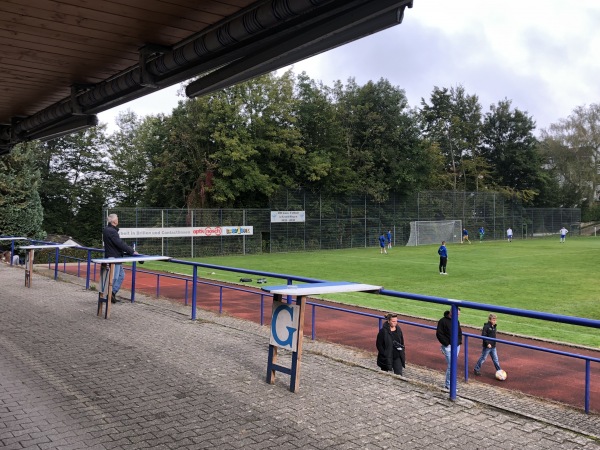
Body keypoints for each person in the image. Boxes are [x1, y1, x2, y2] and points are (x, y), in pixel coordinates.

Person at [103, 213, 139, 303]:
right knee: (114, 277)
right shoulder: (111, 231)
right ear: (114, 221)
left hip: (115, 256)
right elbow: (119, 243)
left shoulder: (108, 230)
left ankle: (113, 294)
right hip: (114, 258)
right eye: (117, 218)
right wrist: (132, 251)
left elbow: (117, 244)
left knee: (121, 275)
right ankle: (110, 294)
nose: (118, 220)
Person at [436, 308, 462, 391]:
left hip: (456, 346)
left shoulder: (456, 321)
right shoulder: (442, 321)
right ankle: (448, 384)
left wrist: (458, 343)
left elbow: (459, 333)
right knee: (451, 365)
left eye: (459, 314)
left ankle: (451, 383)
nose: (458, 316)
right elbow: (439, 334)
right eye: (457, 314)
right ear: (451, 312)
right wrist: (447, 343)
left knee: (452, 365)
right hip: (448, 347)